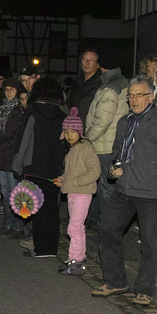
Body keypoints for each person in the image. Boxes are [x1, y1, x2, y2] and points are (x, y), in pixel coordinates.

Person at [92, 75, 157, 305]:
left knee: (150, 243)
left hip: (151, 192)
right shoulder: (124, 122)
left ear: (151, 98)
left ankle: (144, 289)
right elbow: (117, 153)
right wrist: (114, 169)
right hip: (125, 188)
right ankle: (116, 282)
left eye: (139, 95)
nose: (134, 99)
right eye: (131, 95)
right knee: (107, 229)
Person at [12, 77, 67, 260]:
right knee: (52, 208)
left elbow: (24, 140)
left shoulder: (33, 112)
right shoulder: (61, 115)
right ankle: (50, 248)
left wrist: (16, 166)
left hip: (34, 166)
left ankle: (40, 248)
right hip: (55, 167)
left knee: (36, 208)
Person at [82, 64, 129, 225]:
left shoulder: (110, 87)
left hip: (104, 145)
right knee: (102, 186)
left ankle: (108, 223)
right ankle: (97, 219)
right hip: (108, 143)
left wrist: (87, 138)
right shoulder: (116, 82)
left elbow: (103, 120)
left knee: (106, 187)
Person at [58, 107, 100, 276]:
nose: (69, 134)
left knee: (74, 227)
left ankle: (76, 260)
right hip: (72, 192)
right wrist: (63, 179)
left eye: (73, 131)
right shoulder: (72, 149)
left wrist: (75, 182)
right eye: (66, 131)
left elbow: (95, 171)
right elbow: (70, 172)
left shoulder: (85, 148)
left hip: (82, 192)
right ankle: (78, 258)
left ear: (79, 132)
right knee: (77, 227)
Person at [0, 82, 27, 237]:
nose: (8, 91)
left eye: (11, 89)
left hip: (11, 156)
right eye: (6, 89)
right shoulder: (2, 108)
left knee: (15, 192)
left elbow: (16, 136)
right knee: (6, 192)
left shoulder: (19, 110)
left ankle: (18, 226)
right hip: (0, 156)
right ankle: (7, 223)